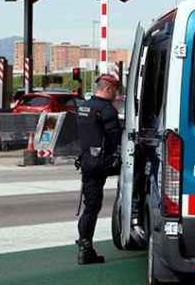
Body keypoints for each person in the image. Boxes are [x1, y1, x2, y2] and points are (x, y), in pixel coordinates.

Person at [76, 74, 122, 265]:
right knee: (92, 207)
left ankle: (84, 245)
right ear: (108, 88)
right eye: (116, 90)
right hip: (100, 163)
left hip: (86, 160)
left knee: (89, 205)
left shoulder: (83, 107)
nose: (116, 94)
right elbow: (116, 139)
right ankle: (85, 249)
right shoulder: (107, 110)